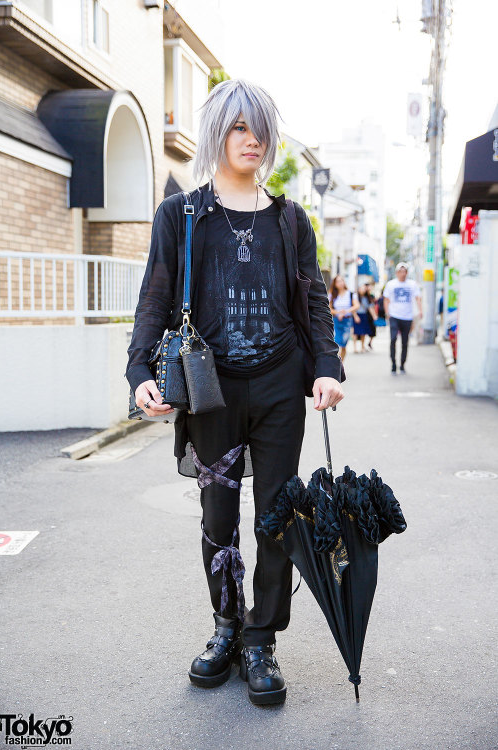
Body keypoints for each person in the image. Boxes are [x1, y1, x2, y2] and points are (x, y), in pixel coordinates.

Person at [125, 79, 344, 706]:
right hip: (209, 390)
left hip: (279, 388)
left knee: (276, 518)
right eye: (239, 127)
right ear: (217, 132)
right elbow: (155, 299)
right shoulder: (183, 215)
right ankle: (225, 625)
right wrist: (140, 372)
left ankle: (260, 640)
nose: (253, 140)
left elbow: (315, 301)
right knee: (218, 519)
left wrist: (325, 366)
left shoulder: (288, 219)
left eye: (261, 130)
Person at [383, 261, 422, 373]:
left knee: (405, 341)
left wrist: (420, 310)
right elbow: (386, 299)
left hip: (407, 317)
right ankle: (393, 363)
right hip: (394, 315)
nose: (402, 273)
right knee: (393, 339)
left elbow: (418, 298)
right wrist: (387, 313)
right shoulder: (391, 284)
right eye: (400, 271)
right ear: (396, 273)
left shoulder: (412, 284)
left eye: (404, 271)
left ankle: (403, 363)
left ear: (407, 273)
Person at [328, 274, 360, 361]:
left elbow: (356, 305)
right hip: (336, 321)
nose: (340, 283)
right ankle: (336, 364)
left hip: (347, 321)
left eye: (342, 280)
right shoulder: (332, 295)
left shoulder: (350, 294)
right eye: (338, 281)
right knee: (336, 343)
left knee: (344, 344)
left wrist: (345, 311)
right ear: (334, 284)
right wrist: (338, 313)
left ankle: (340, 364)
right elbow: (329, 309)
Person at [353, 284, 372, 353]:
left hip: (364, 315)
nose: (363, 290)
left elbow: (369, 307)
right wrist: (355, 316)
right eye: (362, 288)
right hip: (357, 314)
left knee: (363, 332)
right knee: (355, 332)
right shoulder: (355, 297)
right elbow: (353, 307)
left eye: (364, 289)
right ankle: (355, 347)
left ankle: (362, 347)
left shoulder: (367, 297)